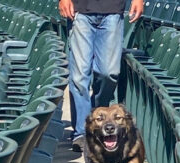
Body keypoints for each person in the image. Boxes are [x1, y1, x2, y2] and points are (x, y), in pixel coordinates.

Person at [59, 0, 144, 151]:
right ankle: (83, 132)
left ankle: (97, 116)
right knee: (79, 77)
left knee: (109, 73)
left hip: (112, 10)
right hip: (79, 11)